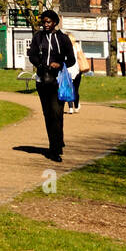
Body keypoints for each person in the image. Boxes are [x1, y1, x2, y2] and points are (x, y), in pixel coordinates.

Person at [27, 10, 75, 162]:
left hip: (57, 81)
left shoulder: (63, 39)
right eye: (44, 22)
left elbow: (72, 59)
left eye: (48, 22)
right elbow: (32, 55)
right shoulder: (38, 37)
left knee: (57, 113)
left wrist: (60, 64)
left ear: (55, 22)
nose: (46, 24)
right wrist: (41, 64)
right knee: (48, 114)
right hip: (42, 80)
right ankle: (55, 143)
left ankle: (55, 147)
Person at [66, 37, 89, 113]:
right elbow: (81, 56)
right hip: (77, 70)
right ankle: (76, 106)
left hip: (68, 70)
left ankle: (70, 108)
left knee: (69, 89)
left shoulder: (63, 46)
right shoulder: (77, 46)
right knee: (76, 89)